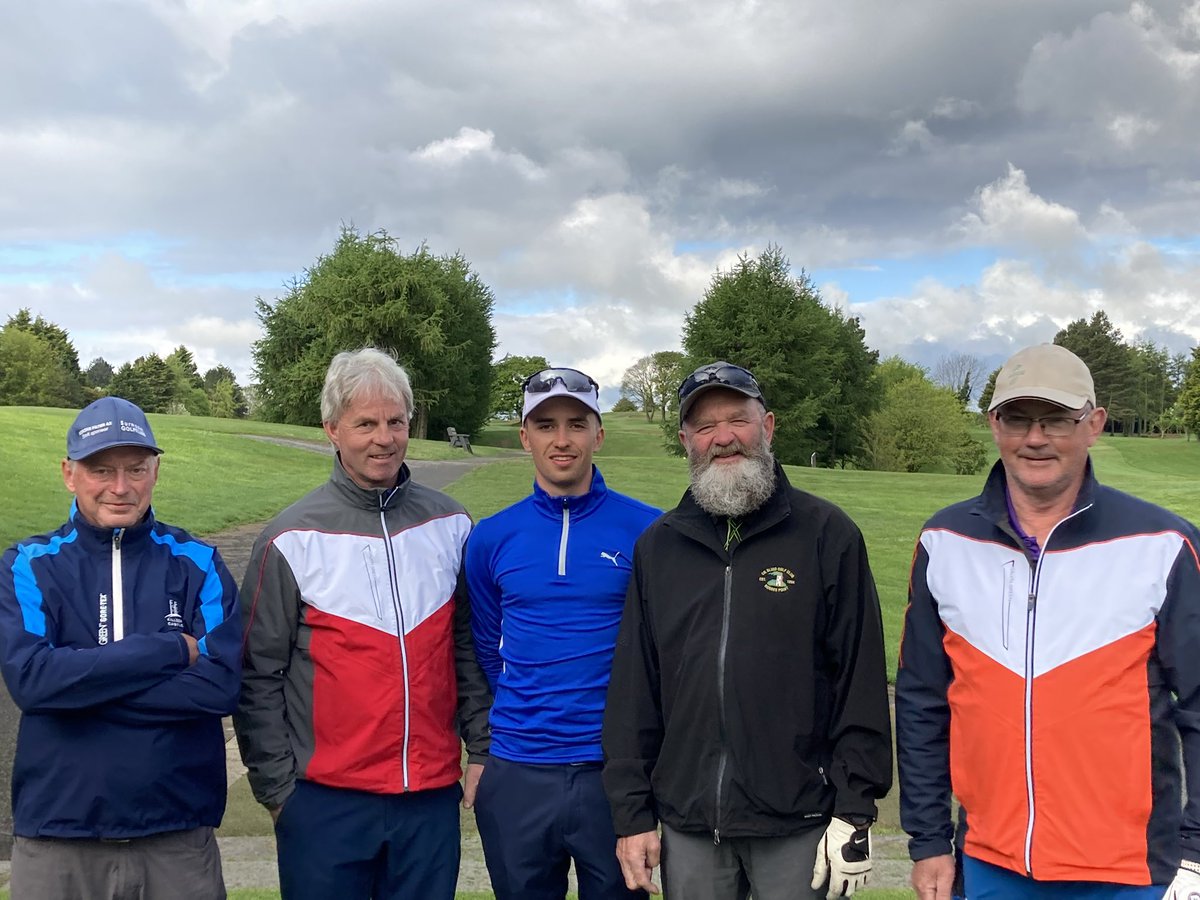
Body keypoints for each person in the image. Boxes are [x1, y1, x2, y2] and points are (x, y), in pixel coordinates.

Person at [896, 343, 1200, 900]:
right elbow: (921, 700)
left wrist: (1198, 850)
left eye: (1057, 419)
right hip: (989, 860)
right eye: (1017, 418)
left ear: (1094, 424)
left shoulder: (1163, 543)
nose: (1035, 438)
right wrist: (929, 839)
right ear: (994, 424)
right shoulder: (944, 541)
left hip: (1130, 871)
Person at [602, 361, 893, 900]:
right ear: (687, 440)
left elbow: (860, 679)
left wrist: (855, 809)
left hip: (800, 818)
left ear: (769, 425)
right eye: (705, 427)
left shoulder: (828, 535)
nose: (723, 438)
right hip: (688, 824)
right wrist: (631, 811)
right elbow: (634, 691)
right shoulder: (659, 547)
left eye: (737, 419)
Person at [233, 348, 491, 900]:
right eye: (365, 424)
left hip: (428, 799)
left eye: (395, 421)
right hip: (323, 802)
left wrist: (483, 748)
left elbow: (467, 651)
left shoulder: (452, 524)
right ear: (332, 429)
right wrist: (279, 791)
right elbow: (258, 675)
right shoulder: (289, 538)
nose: (384, 438)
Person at [0, 395, 241, 899]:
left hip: (176, 836)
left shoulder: (198, 563)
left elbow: (219, 687)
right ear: (69, 474)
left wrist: (82, 690)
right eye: (101, 470)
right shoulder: (28, 564)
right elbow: (34, 683)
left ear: (156, 470)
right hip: (59, 838)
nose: (120, 487)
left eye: (136, 469)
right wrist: (171, 650)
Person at [465, 367, 660, 900]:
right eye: (546, 425)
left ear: (599, 433)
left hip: (612, 773)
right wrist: (490, 745)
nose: (562, 439)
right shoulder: (491, 538)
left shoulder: (649, 531)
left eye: (577, 423)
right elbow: (486, 646)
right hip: (519, 771)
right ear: (525, 436)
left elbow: (663, 655)